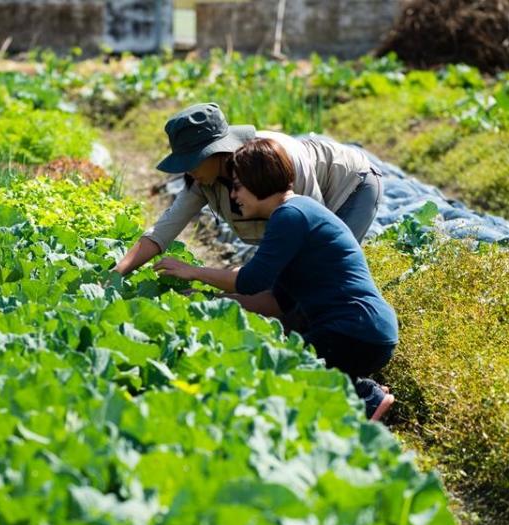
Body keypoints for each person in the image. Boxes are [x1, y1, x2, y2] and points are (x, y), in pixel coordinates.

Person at [153, 138, 398, 421]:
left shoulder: (290, 215)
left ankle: (367, 397)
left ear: (258, 182)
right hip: (364, 332)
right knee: (283, 368)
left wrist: (194, 272)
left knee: (281, 372)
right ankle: (357, 390)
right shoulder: (291, 215)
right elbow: (275, 300)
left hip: (353, 331)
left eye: (237, 186)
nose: (233, 197)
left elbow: (250, 280)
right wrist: (210, 302)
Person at [113, 102, 382, 276]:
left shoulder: (274, 162)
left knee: (321, 268)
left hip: (351, 184)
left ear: (217, 153)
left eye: (193, 161)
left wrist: (231, 278)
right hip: (310, 200)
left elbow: (312, 225)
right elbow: (164, 229)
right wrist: (117, 272)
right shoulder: (203, 177)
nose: (188, 169)